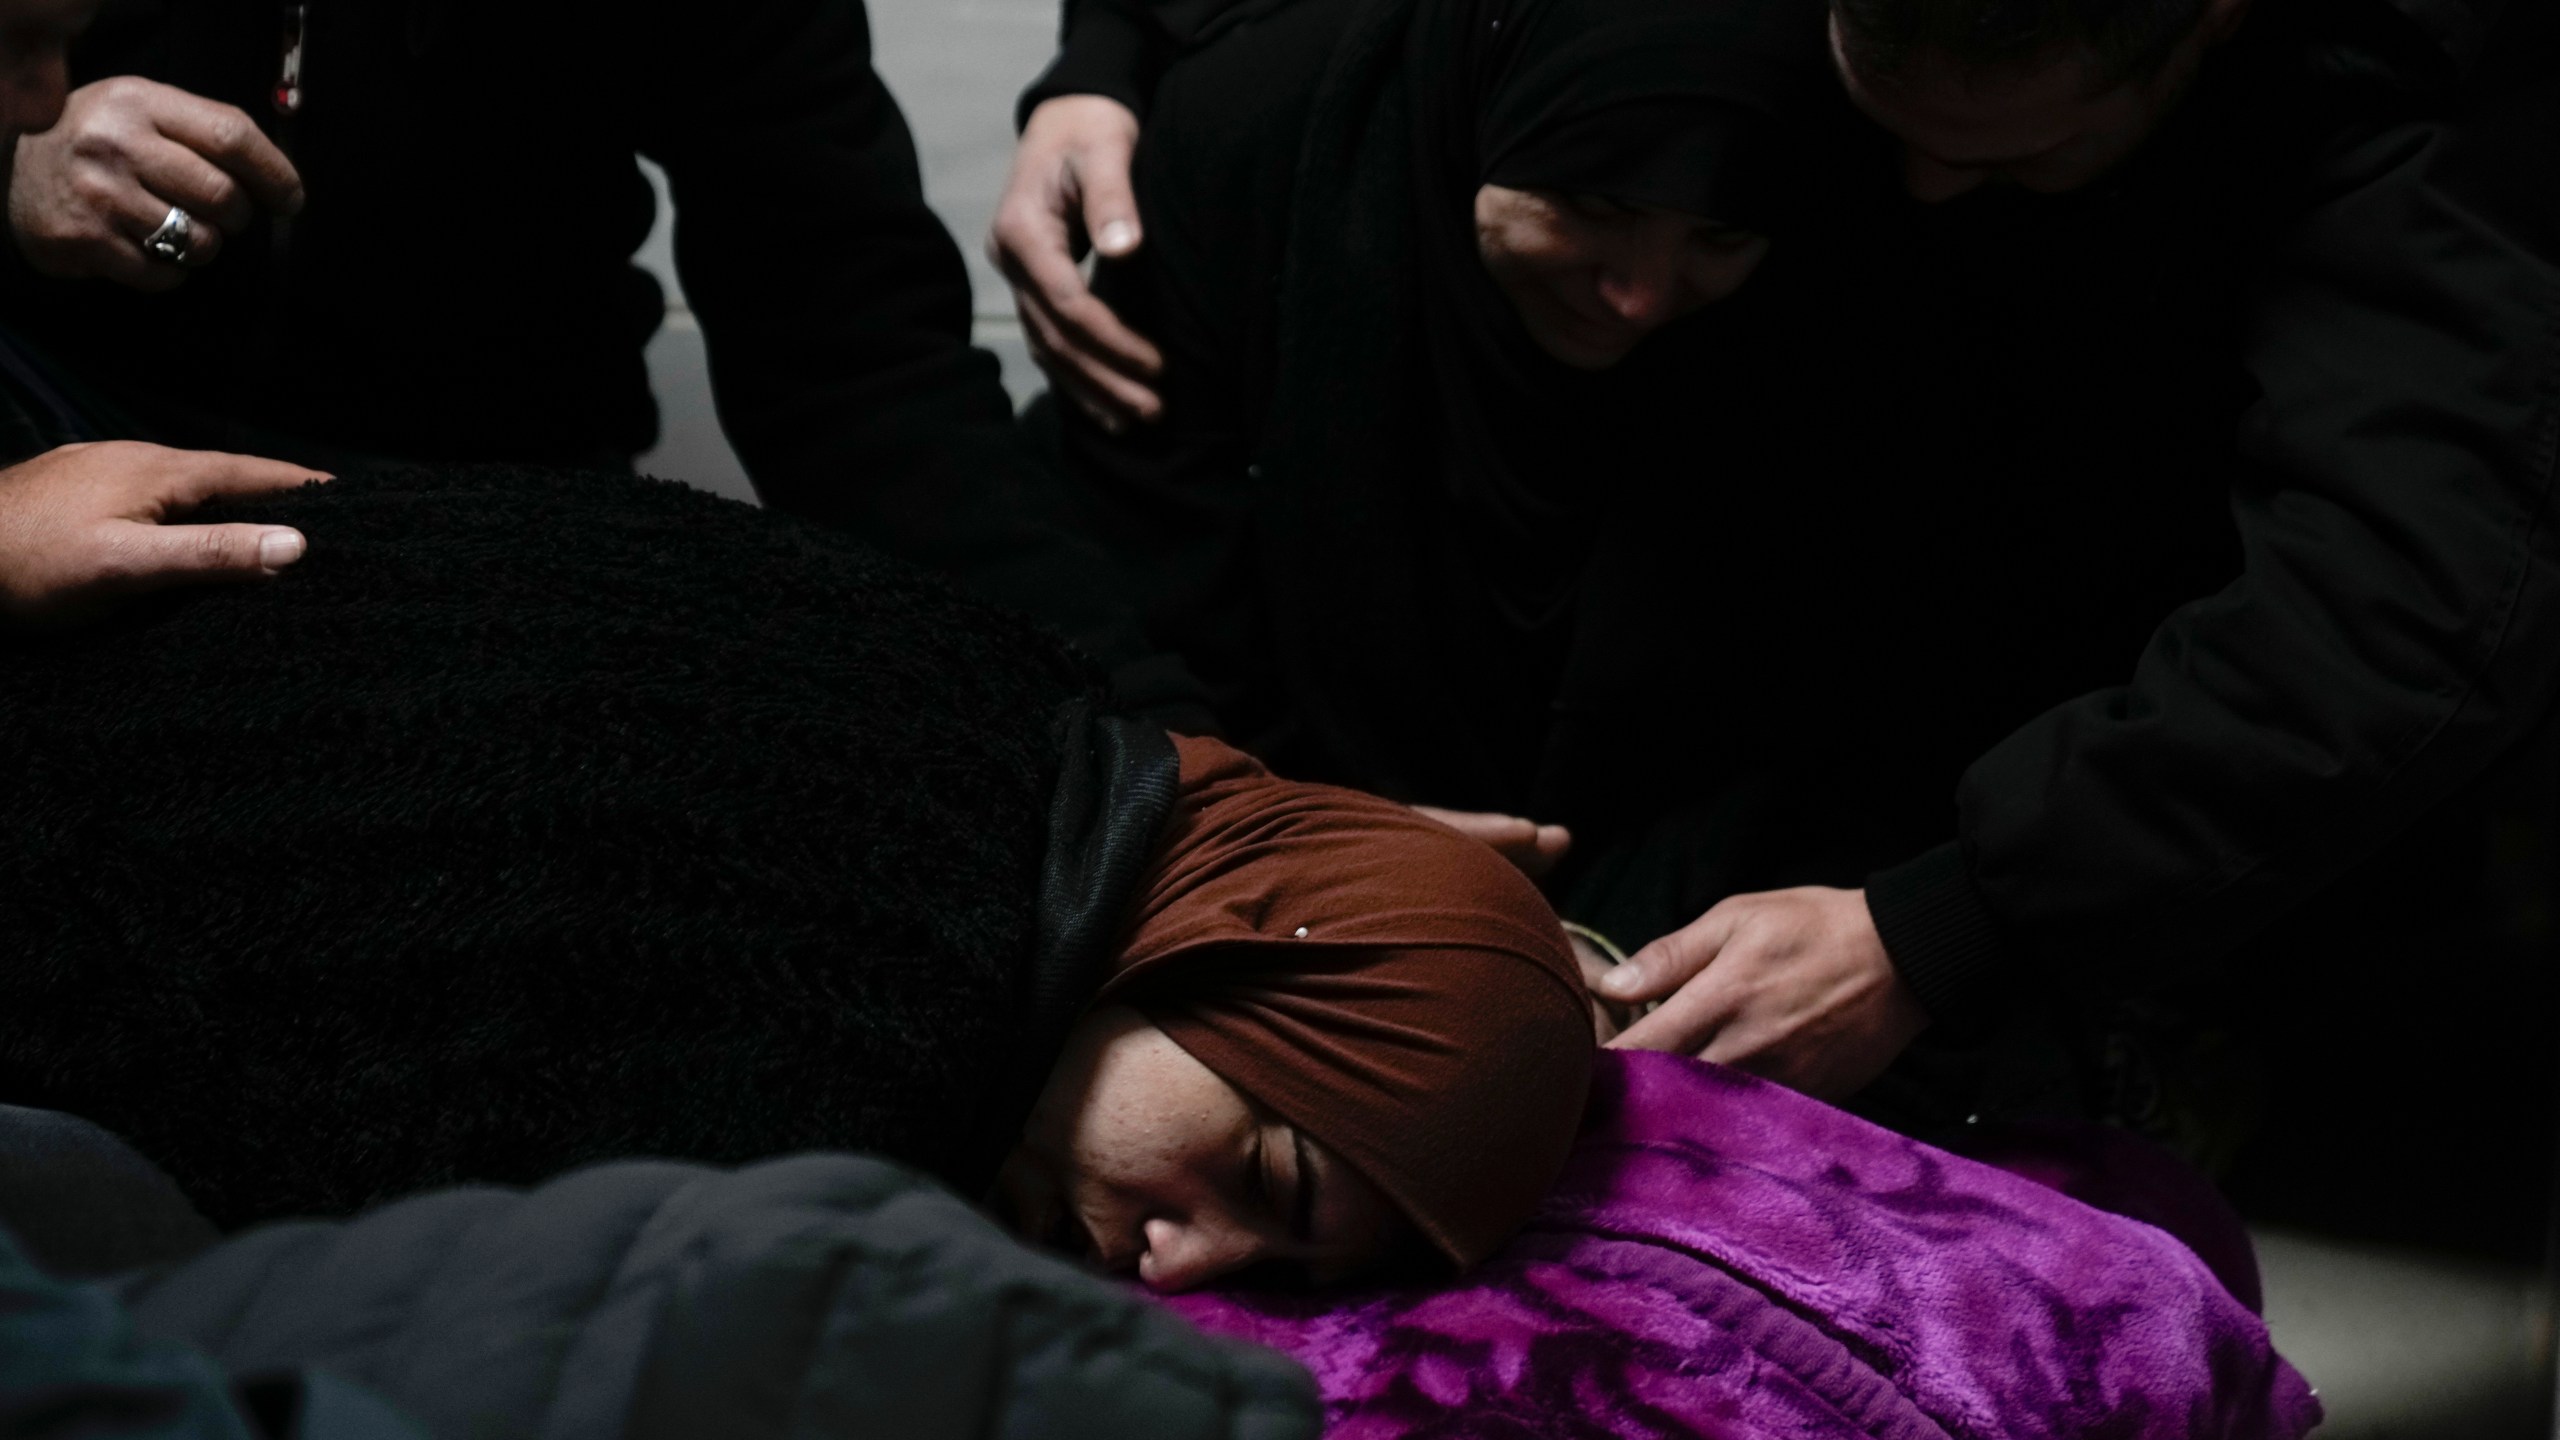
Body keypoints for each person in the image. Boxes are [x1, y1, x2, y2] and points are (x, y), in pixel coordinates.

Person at [995, 0, 2560, 1123]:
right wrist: (1113, 50)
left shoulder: (2411, 132)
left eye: (2020, 159)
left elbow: (2419, 607)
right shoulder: (1287, 163)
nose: (1926, 197)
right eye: (1884, 129)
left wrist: (1950, 923)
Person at [0, 462, 1593, 1292]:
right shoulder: (849, 1039)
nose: (1187, 1263)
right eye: (1268, 1178)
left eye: (1285, 1274)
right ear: (1228, 958)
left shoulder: (998, 694)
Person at [0, 0, 1182, 682]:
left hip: (484, 544)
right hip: (56, 454)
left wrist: (1137, 733)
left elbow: (859, 360)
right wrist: (10, 161)